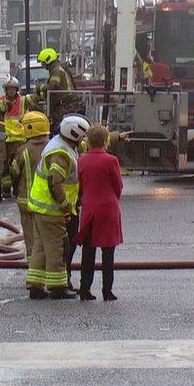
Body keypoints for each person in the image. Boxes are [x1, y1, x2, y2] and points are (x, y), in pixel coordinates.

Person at [26, 114, 90, 300]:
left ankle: (35, 286)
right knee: (58, 247)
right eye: (82, 135)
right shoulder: (61, 153)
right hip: (52, 210)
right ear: (74, 133)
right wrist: (65, 208)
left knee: (41, 248)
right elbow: (55, 183)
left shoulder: (60, 144)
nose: (83, 139)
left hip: (41, 208)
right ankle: (57, 286)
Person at [73, 125, 123, 301]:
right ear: (105, 141)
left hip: (89, 208)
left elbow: (79, 184)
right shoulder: (111, 161)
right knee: (108, 252)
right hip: (108, 207)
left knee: (88, 250)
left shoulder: (81, 160)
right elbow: (118, 186)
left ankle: (85, 288)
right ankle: (107, 291)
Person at [9, 111, 50, 262]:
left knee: (31, 237)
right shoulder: (53, 148)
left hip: (26, 201)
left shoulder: (23, 150)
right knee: (47, 236)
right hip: (48, 203)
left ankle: (33, 268)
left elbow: (14, 171)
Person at [35, 47, 79, 128]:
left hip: (65, 106)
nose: (42, 65)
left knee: (59, 128)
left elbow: (52, 86)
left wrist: (39, 87)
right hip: (68, 104)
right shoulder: (59, 68)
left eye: (43, 62)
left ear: (48, 60)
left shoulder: (56, 71)